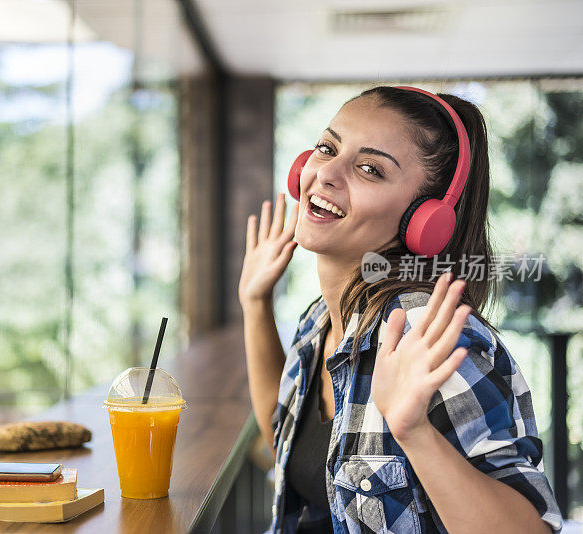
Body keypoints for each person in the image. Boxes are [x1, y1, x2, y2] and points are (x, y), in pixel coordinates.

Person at [238, 86, 562, 533]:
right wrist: (255, 304)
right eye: (326, 148)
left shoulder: (428, 333)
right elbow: (284, 442)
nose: (326, 173)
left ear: (424, 219)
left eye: (369, 169)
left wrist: (416, 433)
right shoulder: (321, 320)